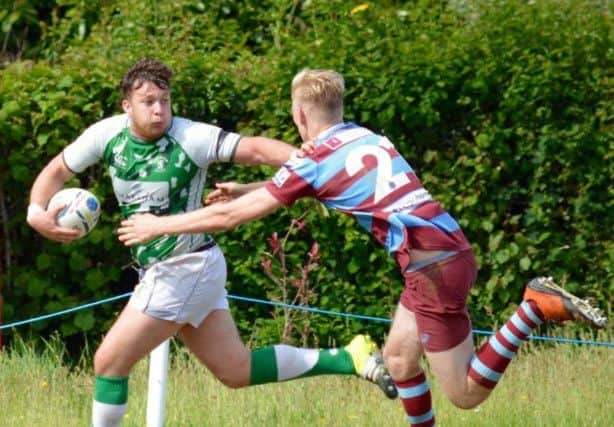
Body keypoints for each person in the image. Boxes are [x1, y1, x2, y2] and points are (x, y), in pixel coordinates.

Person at [117, 68, 607, 426]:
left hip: (432, 266)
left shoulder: (312, 159)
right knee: (397, 360)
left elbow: (229, 218)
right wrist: (247, 190)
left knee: (464, 394)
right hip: (440, 252)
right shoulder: (363, 137)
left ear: (299, 114)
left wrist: (159, 226)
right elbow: (322, 186)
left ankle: (532, 308)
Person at [26, 60, 397, 427]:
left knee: (108, 362)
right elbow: (57, 170)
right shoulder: (106, 135)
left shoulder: (190, 137)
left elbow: (253, 149)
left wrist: (314, 161)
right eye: (149, 102)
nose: (159, 110)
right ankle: (349, 357)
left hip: (184, 268)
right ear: (127, 106)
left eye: (165, 101)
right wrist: (35, 211)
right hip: (182, 269)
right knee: (236, 370)